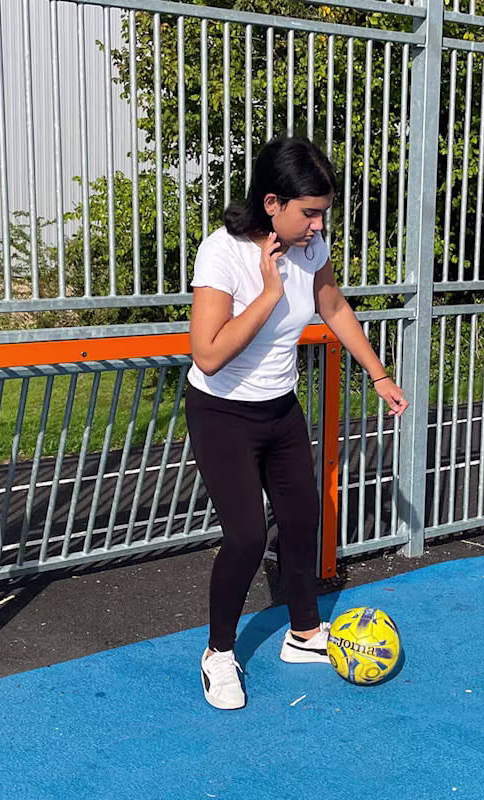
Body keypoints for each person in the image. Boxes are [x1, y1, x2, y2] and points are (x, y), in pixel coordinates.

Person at [186, 136, 408, 710]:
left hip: (280, 408)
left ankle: (304, 633)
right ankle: (218, 654)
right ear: (271, 203)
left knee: (302, 517)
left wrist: (378, 374)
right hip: (222, 413)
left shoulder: (311, 247)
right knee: (246, 536)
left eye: (323, 213)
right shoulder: (222, 253)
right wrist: (270, 292)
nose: (318, 225)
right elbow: (207, 355)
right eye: (309, 212)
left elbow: (333, 306)